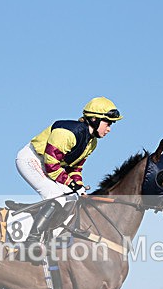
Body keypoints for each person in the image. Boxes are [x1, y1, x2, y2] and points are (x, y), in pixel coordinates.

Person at [15, 97, 123, 251]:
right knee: (55, 195)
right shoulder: (67, 133)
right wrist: (71, 184)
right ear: (94, 119)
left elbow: (75, 169)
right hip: (32, 160)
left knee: (72, 199)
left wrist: (78, 185)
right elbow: (51, 165)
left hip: (50, 166)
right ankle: (31, 241)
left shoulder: (92, 143)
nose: (109, 129)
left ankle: (49, 236)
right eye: (108, 123)